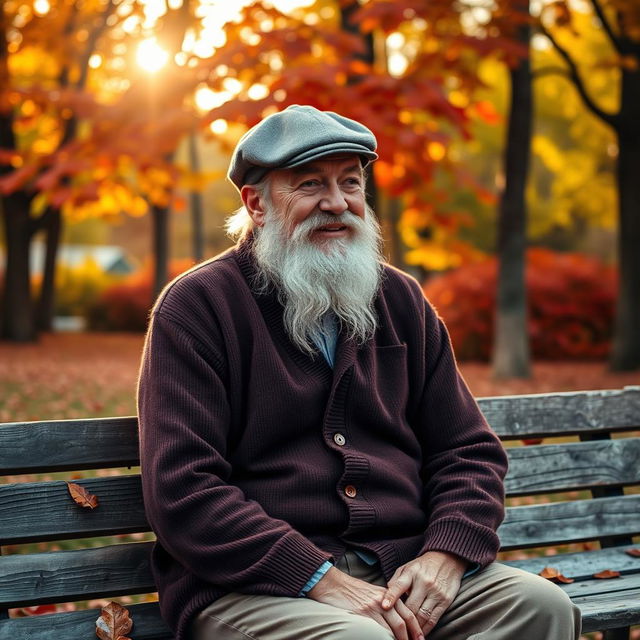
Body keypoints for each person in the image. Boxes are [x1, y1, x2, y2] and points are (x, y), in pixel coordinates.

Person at [138, 105, 581, 640]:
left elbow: (466, 450)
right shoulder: (198, 307)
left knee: (540, 607)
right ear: (257, 204)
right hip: (252, 585)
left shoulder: (400, 299)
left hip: (402, 567)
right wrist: (318, 577)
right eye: (309, 185)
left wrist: (446, 554)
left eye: (351, 182)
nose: (337, 203)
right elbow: (184, 489)